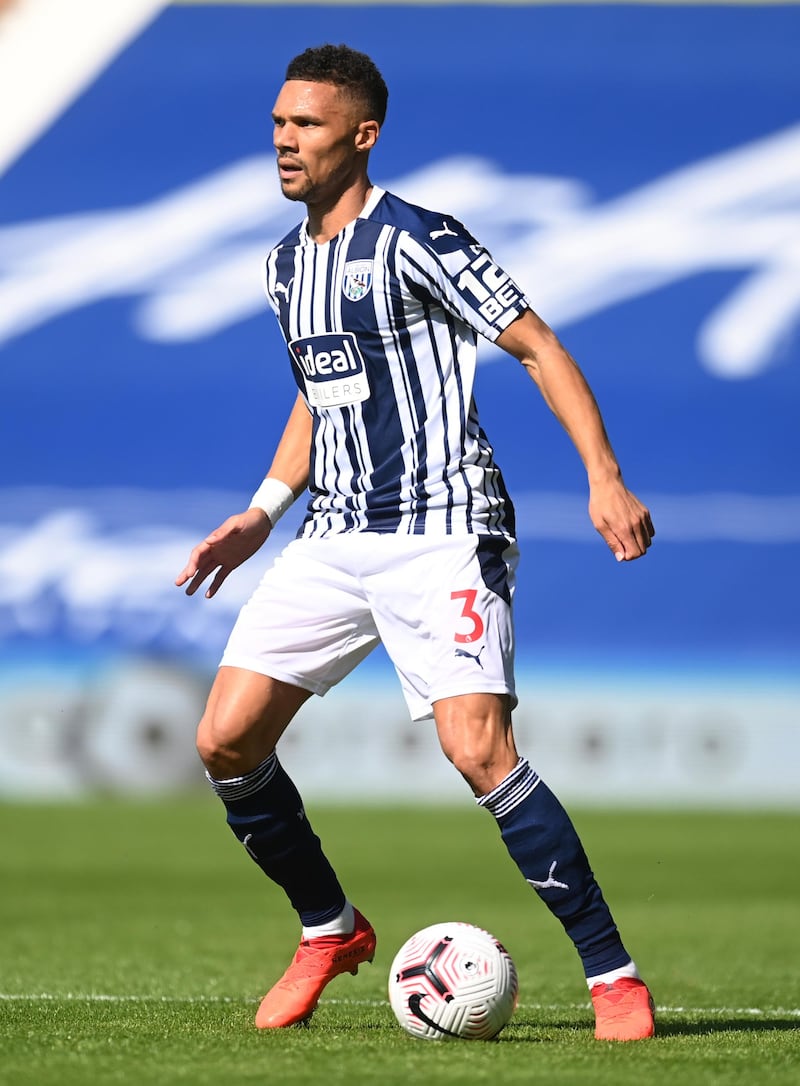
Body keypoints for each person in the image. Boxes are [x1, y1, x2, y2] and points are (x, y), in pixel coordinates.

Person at [176, 43, 656, 1041]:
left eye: (305, 126)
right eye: (276, 124)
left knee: (475, 748)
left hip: (442, 528)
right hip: (330, 534)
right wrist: (263, 510)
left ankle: (612, 975)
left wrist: (601, 477)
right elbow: (321, 394)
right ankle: (329, 928)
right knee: (223, 739)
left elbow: (536, 345)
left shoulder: (417, 238)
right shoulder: (282, 265)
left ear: (362, 134)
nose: (283, 142)